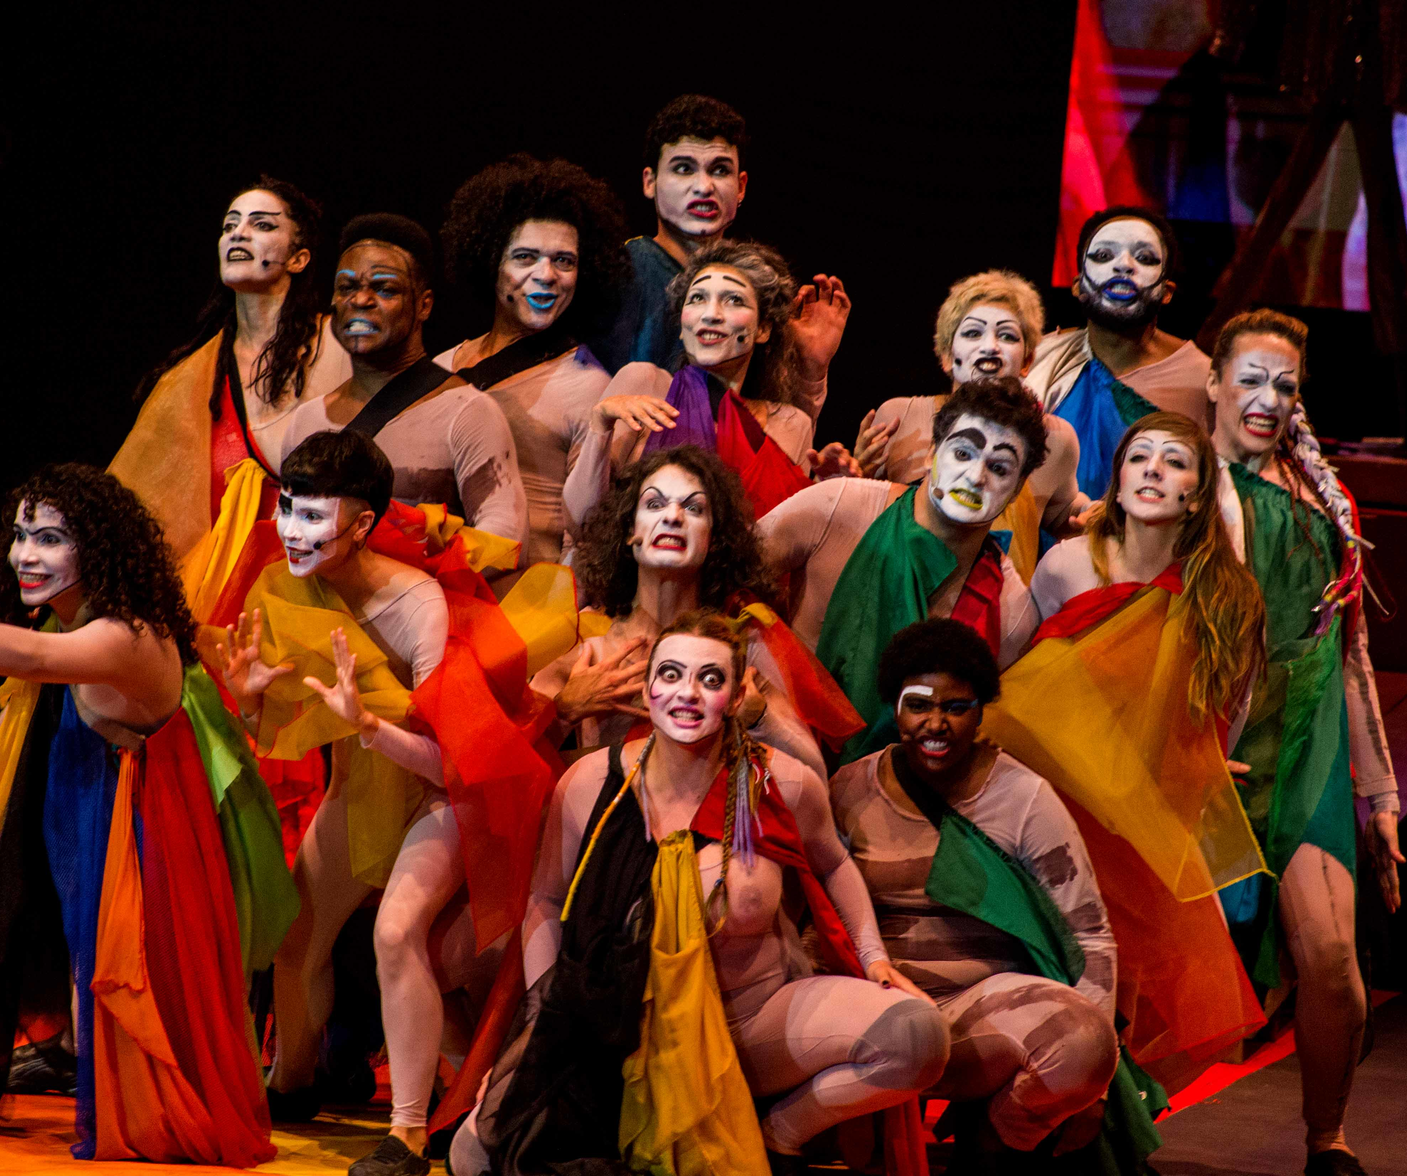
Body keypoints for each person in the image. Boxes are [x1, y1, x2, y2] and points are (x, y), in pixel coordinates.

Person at [0, 465, 288, 1167]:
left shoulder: (123, 635)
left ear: (97, 548)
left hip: (142, 830)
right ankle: (108, 1092)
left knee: (130, 980)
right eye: (20, 536)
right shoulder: (75, 617)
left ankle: (156, 1117)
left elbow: (36, 659)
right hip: (85, 808)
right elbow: (29, 693)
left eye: (49, 538)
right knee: (80, 968)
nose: (26, 555)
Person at [453, 609, 949, 1176]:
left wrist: (874, 957)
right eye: (670, 675)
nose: (687, 693)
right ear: (646, 689)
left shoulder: (780, 782)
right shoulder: (589, 783)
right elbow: (545, 901)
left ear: (736, 697)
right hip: (620, 1036)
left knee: (916, 1037)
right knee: (474, 1157)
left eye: (709, 679)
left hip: (753, 1026)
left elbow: (833, 863)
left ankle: (776, 1135)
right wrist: (544, 1027)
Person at [205, 432, 568, 1173]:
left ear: (363, 524)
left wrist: (370, 724)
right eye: (288, 509)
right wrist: (249, 702)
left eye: (315, 516)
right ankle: (293, 1082)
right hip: (363, 784)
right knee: (293, 935)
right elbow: (281, 728)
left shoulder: (418, 607)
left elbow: (456, 758)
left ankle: (406, 1134)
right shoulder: (286, 586)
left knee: (397, 931)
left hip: (446, 791)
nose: (293, 530)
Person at [978, 412, 1268, 1094]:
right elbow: (1025, 681)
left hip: (1150, 807)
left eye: (1174, 461)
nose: (1152, 470)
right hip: (1060, 799)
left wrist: (1190, 770)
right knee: (1056, 963)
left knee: (1136, 980)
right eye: (1139, 457)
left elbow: (1231, 706)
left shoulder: (1227, 595)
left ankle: (1107, 1119)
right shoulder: (1067, 564)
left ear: (1197, 495)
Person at [832, 619, 1164, 1173]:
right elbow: (815, 911)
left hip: (979, 1015)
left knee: (1084, 1044)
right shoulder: (849, 788)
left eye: (956, 707)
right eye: (919, 705)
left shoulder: (1025, 797)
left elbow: (1090, 936)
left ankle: (991, 1146)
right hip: (872, 1007)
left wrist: (1094, 1090)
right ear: (894, 707)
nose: (935, 724)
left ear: (981, 711)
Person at [1206, 309, 1403, 1176]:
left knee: (1330, 958)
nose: (1266, 398)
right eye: (1250, 378)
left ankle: (1328, 1141)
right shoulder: (1177, 476)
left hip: (1308, 743)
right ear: (1213, 381)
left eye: (1284, 385)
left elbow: (1350, 651)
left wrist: (1380, 792)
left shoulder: (1327, 498)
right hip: (1212, 740)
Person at [755, 380, 1046, 759]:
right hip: (778, 761)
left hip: (897, 790)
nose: (976, 476)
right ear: (931, 453)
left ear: (1018, 488)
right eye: (962, 453)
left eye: (999, 467)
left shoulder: (1011, 611)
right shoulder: (838, 507)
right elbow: (723, 572)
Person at [546, 443, 866, 781]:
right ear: (629, 532)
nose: (673, 517)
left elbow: (812, 776)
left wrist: (760, 719)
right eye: (654, 504)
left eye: (693, 508)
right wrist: (564, 712)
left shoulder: (745, 646)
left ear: (714, 539)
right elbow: (516, 773)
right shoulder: (582, 647)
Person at [111, 175, 351, 563]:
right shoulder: (189, 378)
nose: (238, 234)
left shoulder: (340, 346)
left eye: (262, 224)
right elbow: (137, 507)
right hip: (216, 580)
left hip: (319, 572)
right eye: (229, 226)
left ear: (298, 258)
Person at [276, 213, 528, 549]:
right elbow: (283, 531)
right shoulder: (306, 421)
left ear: (424, 305)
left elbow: (504, 540)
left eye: (384, 289)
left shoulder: (468, 413)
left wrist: (398, 575)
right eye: (347, 288)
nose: (360, 300)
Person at [564, 240, 847, 527]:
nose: (710, 314)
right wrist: (600, 425)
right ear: (681, 325)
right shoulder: (643, 384)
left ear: (762, 329)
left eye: (734, 300)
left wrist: (833, 494)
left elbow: (787, 541)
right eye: (697, 298)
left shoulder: (791, 424)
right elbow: (581, 522)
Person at [433, 155, 625, 565]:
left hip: (527, 596)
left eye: (564, 261)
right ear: (490, 261)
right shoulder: (441, 366)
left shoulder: (590, 384)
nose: (547, 275)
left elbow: (589, 537)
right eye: (524, 257)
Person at [847, 270, 1084, 579]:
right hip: (899, 591)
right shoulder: (899, 417)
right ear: (947, 355)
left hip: (998, 601)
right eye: (973, 333)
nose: (990, 347)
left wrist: (1090, 514)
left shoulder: (1055, 437)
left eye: (1007, 336)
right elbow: (863, 519)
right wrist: (854, 477)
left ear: (1027, 361)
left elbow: (1064, 514)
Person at [1023, 206, 1212, 502]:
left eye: (1144, 258)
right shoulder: (1038, 360)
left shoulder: (1205, 381)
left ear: (1167, 291)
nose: (1123, 265)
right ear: (1077, 286)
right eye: (1103, 256)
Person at [586, 93, 749, 373]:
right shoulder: (619, 272)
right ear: (650, 182)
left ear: (741, 186)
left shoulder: (752, 286)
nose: (704, 187)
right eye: (684, 169)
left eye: (720, 170)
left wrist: (811, 374)